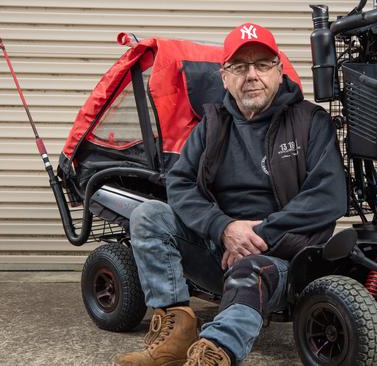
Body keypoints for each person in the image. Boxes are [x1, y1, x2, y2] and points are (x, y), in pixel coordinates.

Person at [114, 22, 347, 366]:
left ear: (279, 72)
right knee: (148, 215)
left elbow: (328, 196)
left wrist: (255, 235)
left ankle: (216, 352)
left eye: (262, 64)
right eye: (239, 66)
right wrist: (223, 229)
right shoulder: (213, 124)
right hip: (219, 249)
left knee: (249, 271)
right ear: (224, 77)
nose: (251, 75)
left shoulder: (310, 121)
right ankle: (176, 333)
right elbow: (179, 182)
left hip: (282, 260)